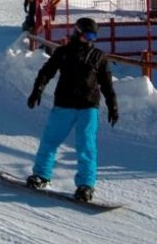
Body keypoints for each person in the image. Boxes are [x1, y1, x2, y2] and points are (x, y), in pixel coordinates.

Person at [25, 17, 119, 203]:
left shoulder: (98, 56)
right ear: (78, 32)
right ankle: (41, 176)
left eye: (94, 36)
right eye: (88, 35)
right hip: (64, 105)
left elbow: (107, 84)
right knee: (49, 141)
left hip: (88, 107)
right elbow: (46, 72)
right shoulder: (63, 52)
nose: (91, 39)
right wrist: (37, 90)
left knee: (86, 147)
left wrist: (112, 105)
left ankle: (85, 186)